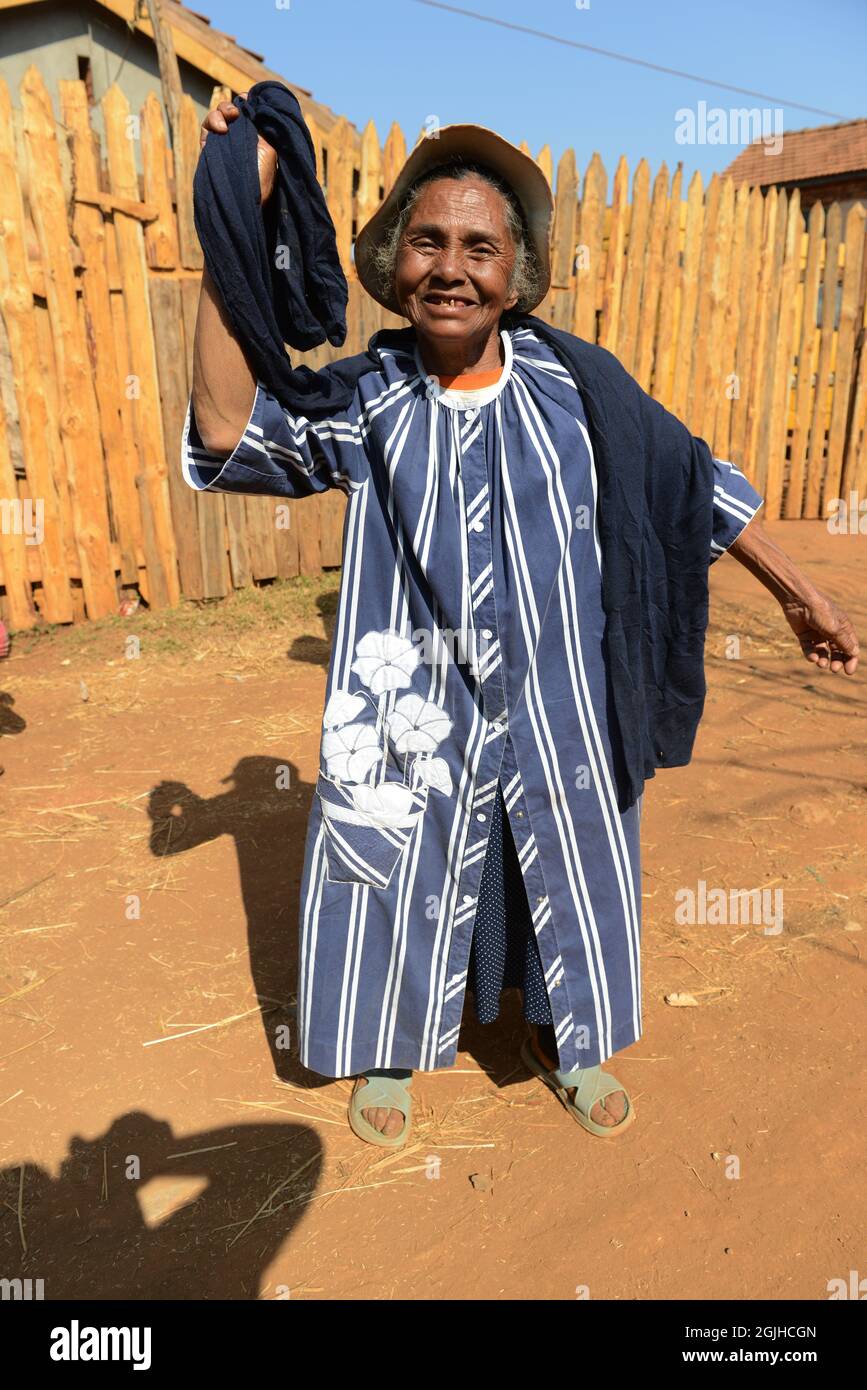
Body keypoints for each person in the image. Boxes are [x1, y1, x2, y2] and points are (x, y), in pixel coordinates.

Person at [184, 100, 859, 1148]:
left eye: (479, 247)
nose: (451, 268)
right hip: (415, 711)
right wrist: (239, 199)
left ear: (517, 272)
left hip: (560, 705)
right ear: (394, 262)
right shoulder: (368, 398)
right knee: (392, 867)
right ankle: (390, 1043)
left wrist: (800, 592)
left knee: (570, 866)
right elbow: (229, 428)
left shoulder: (577, 386)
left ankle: (567, 1041)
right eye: (428, 241)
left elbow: (696, 482)